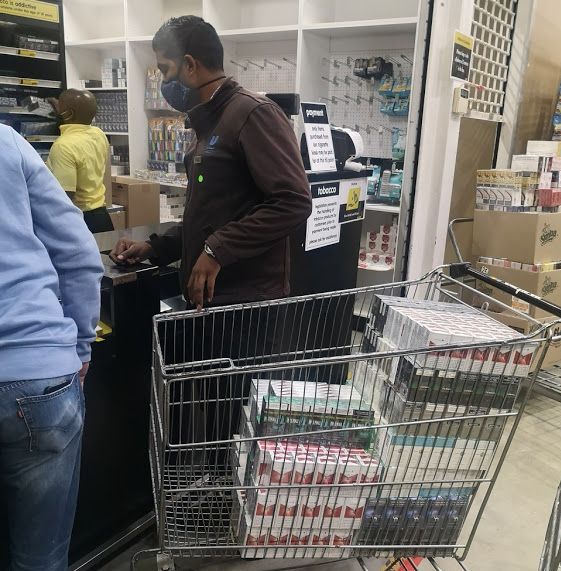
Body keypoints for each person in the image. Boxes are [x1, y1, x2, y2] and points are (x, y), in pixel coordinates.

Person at [110, 15, 312, 310]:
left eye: (166, 69)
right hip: (211, 299)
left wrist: (216, 251)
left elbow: (293, 202)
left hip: (245, 303)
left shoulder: (254, 114)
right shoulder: (207, 122)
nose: (164, 82)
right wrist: (155, 247)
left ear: (190, 65)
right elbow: (208, 217)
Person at [0, 124, 104, 570]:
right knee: (39, 557)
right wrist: (81, 345)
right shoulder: (6, 142)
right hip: (38, 374)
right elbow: (79, 253)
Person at [47, 88, 114, 234]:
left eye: (61, 106)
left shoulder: (63, 146)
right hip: (102, 218)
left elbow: (65, 196)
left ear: (69, 113)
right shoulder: (99, 134)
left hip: (81, 221)